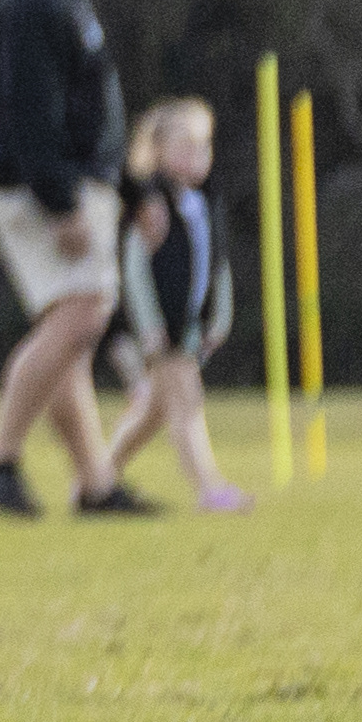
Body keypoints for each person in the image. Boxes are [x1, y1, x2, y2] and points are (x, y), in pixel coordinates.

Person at [0, 0, 141, 519]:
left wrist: (129, 190)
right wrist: (61, 200)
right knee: (84, 314)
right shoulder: (31, 2)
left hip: (70, 180)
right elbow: (28, 111)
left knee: (65, 334)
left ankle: (96, 482)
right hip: (43, 187)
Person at [96, 95, 250, 512]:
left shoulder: (204, 204)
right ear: (158, 150)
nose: (197, 154)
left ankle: (96, 479)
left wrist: (220, 317)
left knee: (152, 414)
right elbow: (133, 268)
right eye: (185, 145)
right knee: (186, 402)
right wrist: (147, 325)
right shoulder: (152, 205)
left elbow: (216, 266)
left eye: (203, 145)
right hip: (161, 331)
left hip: (190, 329)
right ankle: (209, 488)